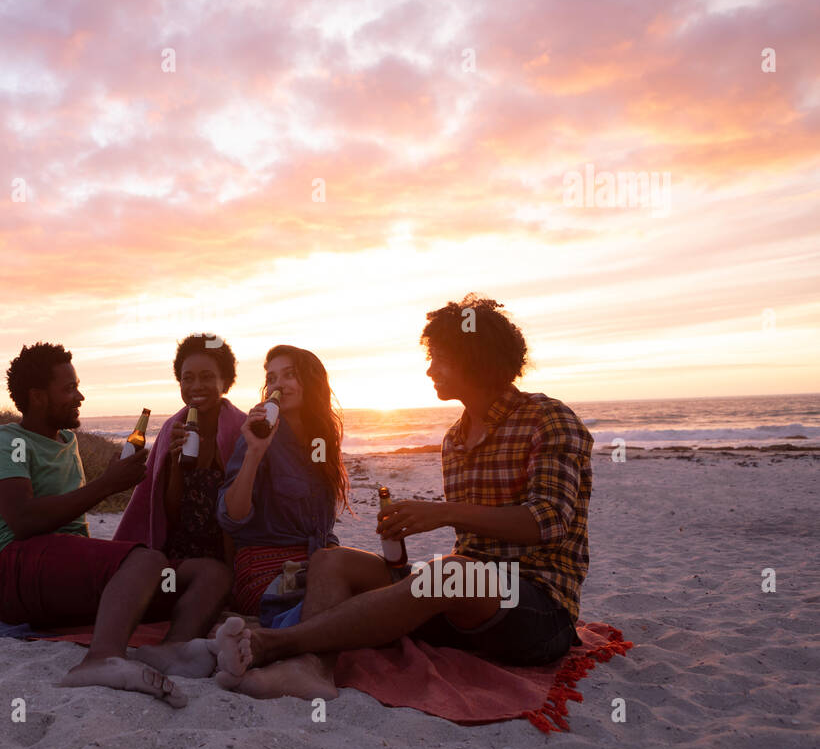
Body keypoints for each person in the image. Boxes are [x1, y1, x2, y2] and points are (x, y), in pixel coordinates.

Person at [212, 296, 593, 700]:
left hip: (535, 609)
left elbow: (547, 521)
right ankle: (313, 672)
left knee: (451, 571)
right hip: (460, 599)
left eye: (439, 357)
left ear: (475, 357)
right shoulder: (456, 438)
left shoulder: (547, 418)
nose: (430, 368)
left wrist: (442, 513)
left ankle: (275, 643)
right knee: (331, 558)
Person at [0, 342, 233, 707]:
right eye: (68, 389)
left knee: (211, 573)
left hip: (62, 580)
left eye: (77, 385)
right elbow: (23, 521)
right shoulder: (5, 441)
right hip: (14, 574)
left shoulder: (67, 441)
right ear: (37, 397)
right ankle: (100, 659)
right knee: (146, 559)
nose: (80, 395)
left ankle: (174, 650)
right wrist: (106, 485)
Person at [216, 345, 350, 618]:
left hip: (316, 563)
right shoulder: (258, 437)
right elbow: (232, 517)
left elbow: (320, 524)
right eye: (271, 378)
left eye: (289, 374)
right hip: (266, 570)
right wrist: (255, 452)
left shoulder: (320, 442)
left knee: (383, 586)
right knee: (347, 610)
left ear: (311, 382)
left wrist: (334, 554)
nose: (278, 385)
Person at [114, 333, 247, 565]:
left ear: (225, 382)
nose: (196, 386)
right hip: (178, 552)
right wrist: (176, 467)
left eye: (206, 377)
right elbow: (170, 516)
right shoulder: (171, 430)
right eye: (187, 378)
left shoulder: (242, 430)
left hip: (234, 550)